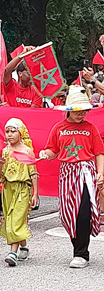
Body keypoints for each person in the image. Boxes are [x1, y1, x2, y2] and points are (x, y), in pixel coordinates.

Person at [39, 85, 104, 268]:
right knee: (69, 214)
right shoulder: (58, 128)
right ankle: (78, 247)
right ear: (69, 110)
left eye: (84, 111)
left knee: (84, 214)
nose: (81, 114)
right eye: (78, 111)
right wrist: (46, 153)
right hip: (67, 174)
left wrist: (100, 173)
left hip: (85, 173)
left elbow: (99, 152)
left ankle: (81, 253)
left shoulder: (91, 128)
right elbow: (53, 150)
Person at [0, 118, 39, 266]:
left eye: (13, 131)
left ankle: (12, 252)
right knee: (10, 218)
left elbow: (33, 173)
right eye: (7, 131)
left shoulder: (27, 151)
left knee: (16, 219)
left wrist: (35, 193)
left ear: (21, 133)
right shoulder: (5, 151)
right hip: (7, 189)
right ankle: (23, 246)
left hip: (22, 190)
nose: (9, 134)